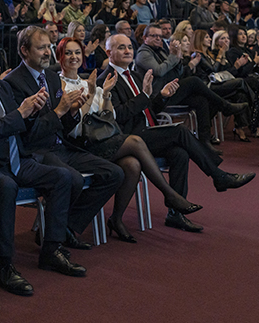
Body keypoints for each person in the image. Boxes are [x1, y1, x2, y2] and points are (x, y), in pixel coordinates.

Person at [0, 33, 89, 293]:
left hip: (16, 158)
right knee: (7, 186)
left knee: (63, 177)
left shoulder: (0, 86)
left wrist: (37, 113)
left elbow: (22, 126)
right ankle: (6, 265)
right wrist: (21, 113)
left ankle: (51, 249)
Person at [99, 34, 255, 232]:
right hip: (129, 138)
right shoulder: (105, 81)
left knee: (179, 154)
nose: (128, 51)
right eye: (122, 48)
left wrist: (161, 97)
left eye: (130, 47)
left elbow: (150, 110)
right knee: (180, 130)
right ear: (108, 53)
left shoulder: (136, 76)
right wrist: (144, 96)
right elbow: (118, 116)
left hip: (149, 130)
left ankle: (175, 215)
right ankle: (218, 176)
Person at [56, 37, 202, 242]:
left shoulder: (89, 81)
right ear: (60, 56)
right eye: (69, 53)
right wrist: (91, 94)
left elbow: (108, 118)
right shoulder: (59, 84)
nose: (74, 57)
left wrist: (104, 94)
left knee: (132, 165)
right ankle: (169, 194)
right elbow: (77, 124)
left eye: (77, 53)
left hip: (103, 139)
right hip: (82, 144)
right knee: (135, 142)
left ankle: (116, 219)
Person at [4, 26, 124, 249]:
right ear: (24, 50)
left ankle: (66, 226)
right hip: (37, 151)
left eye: (48, 47)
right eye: (40, 48)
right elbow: (27, 134)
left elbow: (64, 125)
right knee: (74, 179)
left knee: (114, 173)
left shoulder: (50, 77)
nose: (47, 52)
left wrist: (71, 112)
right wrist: (60, 111)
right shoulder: (13, 82)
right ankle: (56, 235)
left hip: (62, 146)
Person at [135, 24, 248, 141]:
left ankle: (205, 141)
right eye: (154, 36)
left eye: (159, 36)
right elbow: (159, 71)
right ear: (145, 38)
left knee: (201, 100)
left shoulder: (161, 51)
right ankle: (225, 106)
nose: (158, 38)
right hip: (158, 97)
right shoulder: (143, 53)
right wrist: (174, 56)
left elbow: (175, 74)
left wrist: (178, 59)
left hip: (170, 90)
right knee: (194, 81)